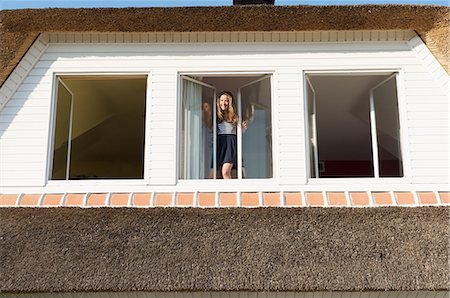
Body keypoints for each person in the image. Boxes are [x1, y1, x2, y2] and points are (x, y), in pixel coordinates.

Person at [216, 91, 246, 179]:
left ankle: (231, 192)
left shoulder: (235, 116)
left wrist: (243, 128)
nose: (223, 103)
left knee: (225, 172)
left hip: (230, 144)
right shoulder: (217, 116)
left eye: (226, 101)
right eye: (221, 100)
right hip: (220, 143)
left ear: (229, 102)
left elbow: (239, 133)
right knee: (218, 173)